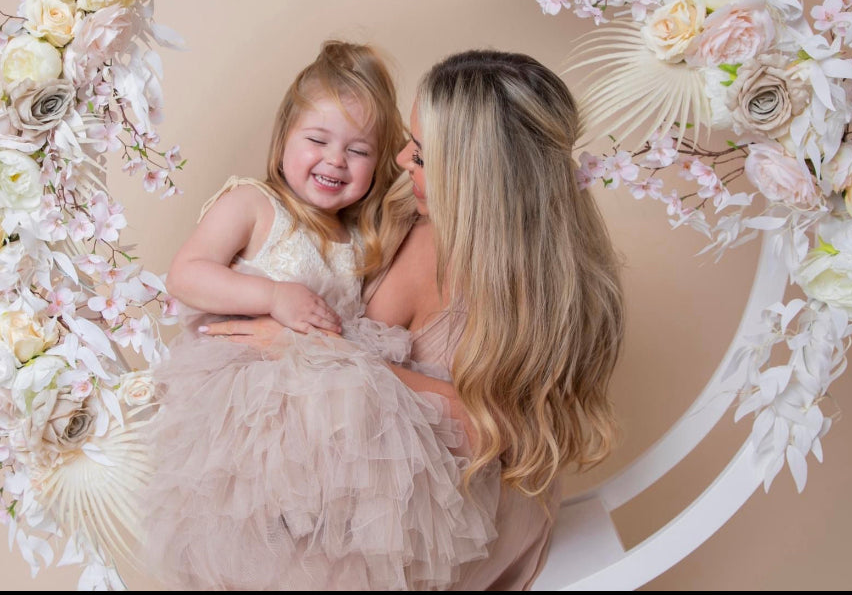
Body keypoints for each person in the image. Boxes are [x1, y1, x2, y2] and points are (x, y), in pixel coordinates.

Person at [203, 49, 625, 590]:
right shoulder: (401, 208)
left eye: (422, 155)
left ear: (474, 178)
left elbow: (498, 435)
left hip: (465, 504)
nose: (400, 160)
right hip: (360, 472)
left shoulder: (539, 288)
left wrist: (320, 352)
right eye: (409, 141)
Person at [140, 41, 498, 591]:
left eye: (358, 151)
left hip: (324, 402)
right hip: (249, 395)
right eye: (317, 140)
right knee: (252, 522)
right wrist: (272, 294)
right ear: (284, 133)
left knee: (344, 514)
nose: (335, 160)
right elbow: (187, 274)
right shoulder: (254, 204)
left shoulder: (359, 232)